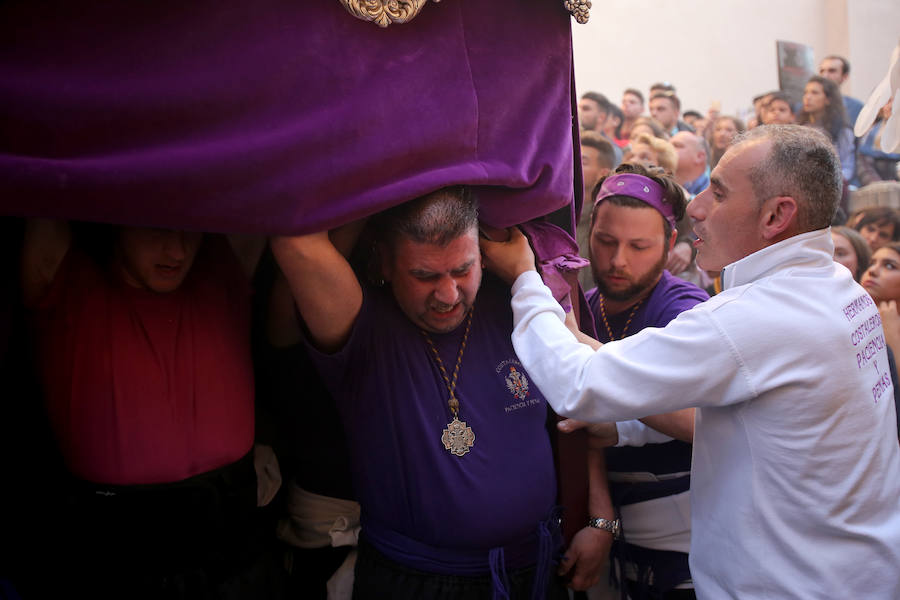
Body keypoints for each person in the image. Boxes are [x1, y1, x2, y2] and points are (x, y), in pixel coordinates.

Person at [481, 124, 900, 599]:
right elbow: (762, 421)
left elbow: (579, 384)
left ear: (777, 215)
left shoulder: (757, 317)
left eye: (717, 194)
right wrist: (623, 428)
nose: (696, 207)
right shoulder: (838, 289)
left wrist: (522, 277)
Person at [270, 187, 607, 599]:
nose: (447, 295)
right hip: (417, 583)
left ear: (483, 256)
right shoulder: (363, 329)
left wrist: (601, 517)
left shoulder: (523, 310)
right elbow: (295, 239)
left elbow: (589, 404)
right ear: (386, 264)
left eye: (462, 270)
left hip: (536, 570)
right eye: (424, 275)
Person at [20, 220, 282, 599]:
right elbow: (46, 171)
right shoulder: (64, 277)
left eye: (188, 230)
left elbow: (261, 180)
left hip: (238, 559)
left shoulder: (221, 264)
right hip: (117, 565)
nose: (177, 251)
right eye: (155, 229)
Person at [581, 162, 708, 599]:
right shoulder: (584, 307)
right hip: (619, 549)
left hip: (688, 553)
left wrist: (612, 417)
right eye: (606, 241)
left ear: (670, 243)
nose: (618, 261)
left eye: (638, 246)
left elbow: (698, 420)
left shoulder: (686, 311)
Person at [798, 75, 855, 182]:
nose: (807, 97)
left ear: (828, 99)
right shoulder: (798, 128)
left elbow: (847, 166)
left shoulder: (841, 129)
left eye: (814, 93)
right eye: (806, 92)